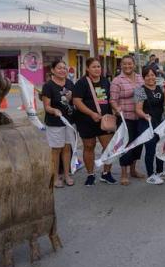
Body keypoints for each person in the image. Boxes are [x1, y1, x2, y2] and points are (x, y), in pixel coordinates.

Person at [72, 58, 116, 187]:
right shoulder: (81, 83)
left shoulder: (105, 81)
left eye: (99, 67)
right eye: (94, 67)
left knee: (109, 147)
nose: (97, 69)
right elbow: (77, 101)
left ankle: (106, 173)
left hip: (104, 121)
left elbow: (110, 99)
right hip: (86, 121)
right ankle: (90, 174)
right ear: (87, 69)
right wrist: (91, 114)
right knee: (89, 146)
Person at [41, 60, 77, 188]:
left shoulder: (70, 83)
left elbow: (73, 102)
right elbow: (46, 107)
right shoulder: (48, 86)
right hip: (55, 122)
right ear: (53, 70)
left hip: (69, 122)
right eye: (59, 68)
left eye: (64, 68)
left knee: (67, 149)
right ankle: (55, 177)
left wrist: (71, 98)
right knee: (56, 150)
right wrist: (54, 110)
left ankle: (67, 175)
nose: (62, 70)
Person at [110, 55, 144, 186]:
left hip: (139, 117)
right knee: (125, 146)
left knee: (137, 144)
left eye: (130, 64)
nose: (127, 66)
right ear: (121, 66)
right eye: (124, 64)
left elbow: (141, 96)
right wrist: (117, 109)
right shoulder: (117, 80)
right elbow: (113, 100)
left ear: (134, 65)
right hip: (125, 119)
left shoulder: (140, 78)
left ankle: (133, 170)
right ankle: (124, 174)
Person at [135, 65, 165, 185]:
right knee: (150, 148)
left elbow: (164, 105)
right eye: (147, 75)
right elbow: (137, 109)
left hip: (159, 123)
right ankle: (150, 174)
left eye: (152, 75)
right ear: (144, 77)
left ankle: (160, 171)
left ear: (156, 76)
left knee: (160, 147)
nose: (150, 77)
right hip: (146, 124)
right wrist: (144, 115)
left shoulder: (160, 88)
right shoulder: (139, 90)